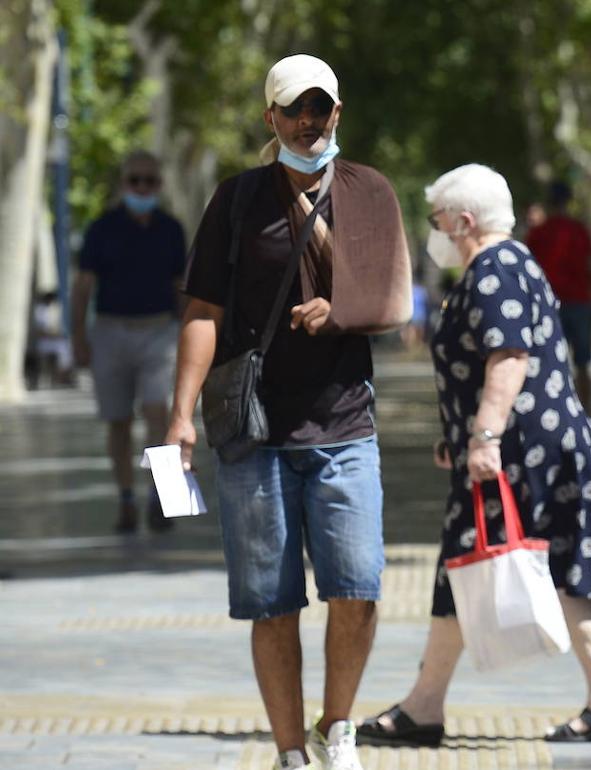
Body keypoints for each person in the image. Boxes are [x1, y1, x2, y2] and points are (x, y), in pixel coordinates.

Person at [166, 54, 411, 770]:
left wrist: (340, 312)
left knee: (359, 588)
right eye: (295, 109)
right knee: (271, 605)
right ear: (270, 118)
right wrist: (180, 414)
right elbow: (203, 310)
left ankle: (338, 730)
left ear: (339, 112)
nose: (310, 120)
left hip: (345, 425)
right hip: (255, 433)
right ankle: (288, 752)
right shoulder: (238, 201)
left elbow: (392, 299)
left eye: (322, 107)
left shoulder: (368, 192)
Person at [357, 164, 591, 748]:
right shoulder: (511, 265)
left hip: (519, 455)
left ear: (463, 221)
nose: (435, 234)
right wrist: (461, 438)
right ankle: (428, 704)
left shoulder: (494, 270)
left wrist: (483, 436)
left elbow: (508, 358)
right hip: (521, 450)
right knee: (480, 567)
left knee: (527, 567)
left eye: (437, 223)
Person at [71, 150, 185, 533]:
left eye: (149, 181)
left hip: (159, 333)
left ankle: (164, 500)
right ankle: (126, 500)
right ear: (123, 184)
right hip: (110, 332)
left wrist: (191, 337)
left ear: (160, 185)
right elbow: (83, 287)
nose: (142, 187)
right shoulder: (101, 228)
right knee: (117, 421)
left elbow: (181, 287)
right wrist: (78, 339)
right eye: (135, 180)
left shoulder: (172, 229)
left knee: (160, 414)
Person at [525, 181, 591, 408]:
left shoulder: (538, 233)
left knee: (551, 362)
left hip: (548, 306)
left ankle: (555, 410)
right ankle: (586, 413)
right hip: (580, 302)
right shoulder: (579, 230)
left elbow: (528, 272)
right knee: (583, 363)